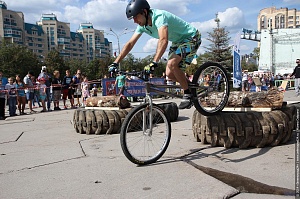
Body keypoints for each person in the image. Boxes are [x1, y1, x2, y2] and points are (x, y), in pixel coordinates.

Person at [108, 0, 201, 109]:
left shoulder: (159, 17)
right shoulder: (142, 26)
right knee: (170, 74)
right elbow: (130, 44)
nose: (134, 21)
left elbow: (163, 39)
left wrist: (154, 62)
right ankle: (190, 87)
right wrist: (115, 62)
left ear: (144, 12)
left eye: (135, 17)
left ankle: (188, 93)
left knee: (172, 64)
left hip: (191, 37)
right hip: (178, 42)